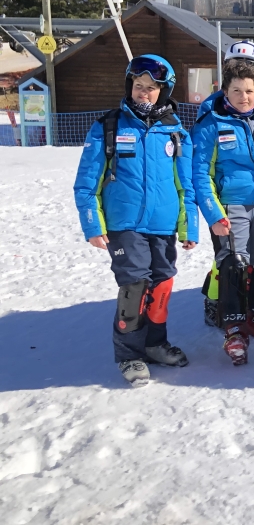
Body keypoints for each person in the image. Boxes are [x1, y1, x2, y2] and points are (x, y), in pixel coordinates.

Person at [73, 54, 199, 387]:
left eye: (151, 88)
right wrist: (92, 224)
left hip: (163, 225)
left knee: (161, 286)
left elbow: (186, 185)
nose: (143, 93)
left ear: (164, 91)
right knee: (134, 287)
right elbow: (87, 182)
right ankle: (129, 354)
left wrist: (190, 226)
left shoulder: (175, 132)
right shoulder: (109, 126)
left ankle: (155, 344)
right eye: (138, 86)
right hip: (124, 224)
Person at [192, 57, 254, 364]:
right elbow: (200, 174)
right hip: (231, 204)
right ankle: (233, 327)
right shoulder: (211, 124)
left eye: (249, 91)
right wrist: (214, 214)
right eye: (237, 91)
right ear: (224, 92)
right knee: (233, 263)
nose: (244, 97)